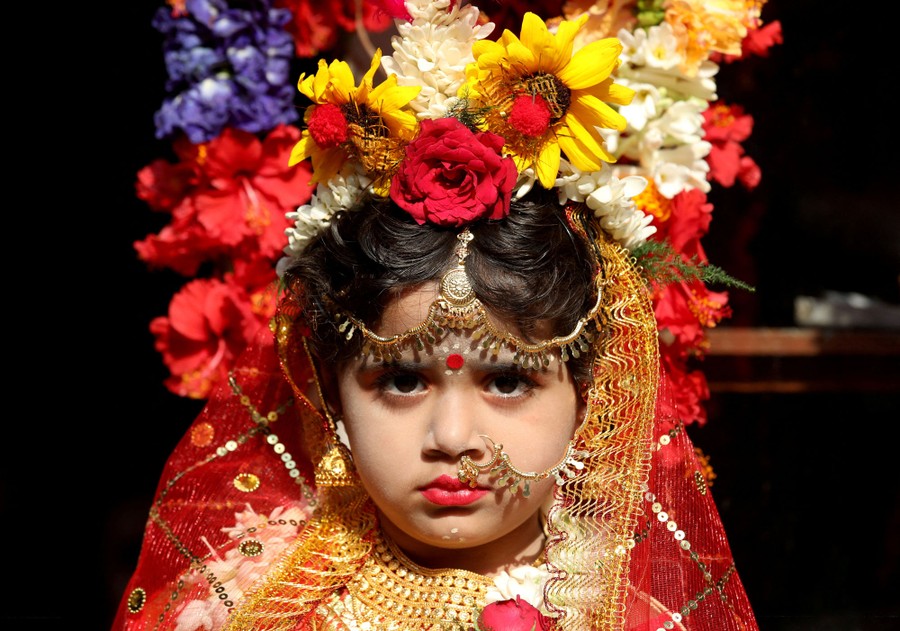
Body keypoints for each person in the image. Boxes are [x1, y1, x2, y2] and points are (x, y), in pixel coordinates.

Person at [113, 1, 761, 629]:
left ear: (590, 394)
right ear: (330, 388)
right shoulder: (238, 602)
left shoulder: (638, 617)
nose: (452, 437)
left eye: (508, 380)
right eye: (401, 380)